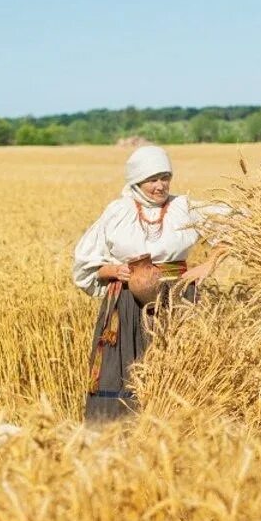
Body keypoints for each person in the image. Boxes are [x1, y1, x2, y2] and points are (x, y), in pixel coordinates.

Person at [72, 145, 216, 422]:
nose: (160, 185)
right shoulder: (118, 211)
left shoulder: (184, 207)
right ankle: (116, 436)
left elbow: (236, 226)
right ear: (136, 181)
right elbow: (86, 267)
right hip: (125, 304)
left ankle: (178, 435)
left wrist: (209, 264)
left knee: (178, 367)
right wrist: (113, 269)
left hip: (177, 300)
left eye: (165, 177)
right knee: (124, 369)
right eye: (152, 179)